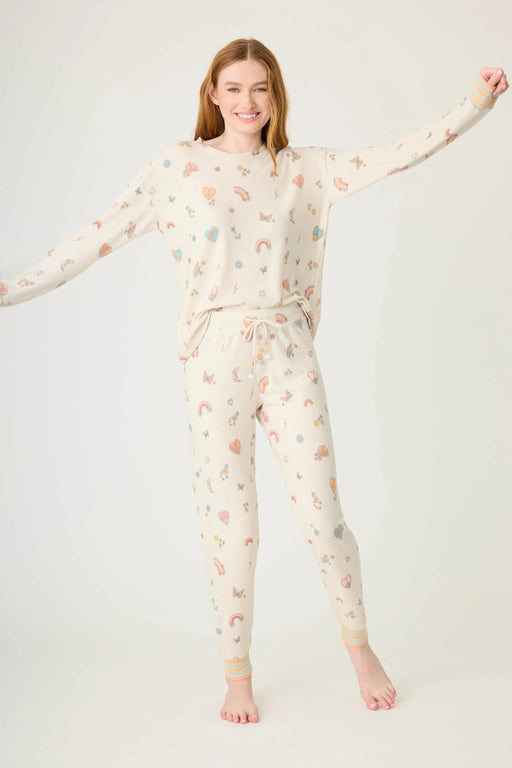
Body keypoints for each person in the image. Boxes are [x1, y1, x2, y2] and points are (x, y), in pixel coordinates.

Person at [1, 39, 507, 726]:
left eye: (260, 88)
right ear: (213, 93)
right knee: (232, 530)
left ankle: (361, 651)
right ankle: (237, 677)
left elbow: (396, 154)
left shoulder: (304, 169)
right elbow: (97, 235)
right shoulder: (177, 168)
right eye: (234, 88)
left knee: (324, 519)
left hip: (289, 350)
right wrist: (14, 288)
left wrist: (475, 104)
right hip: (215, 359)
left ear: (276, 95)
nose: (248, 101)